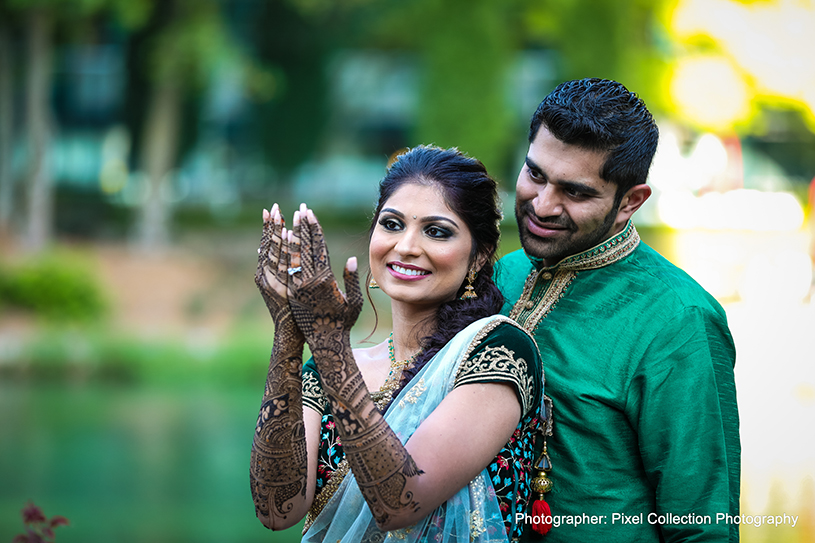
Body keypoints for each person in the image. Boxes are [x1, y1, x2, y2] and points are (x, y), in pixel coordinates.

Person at [250, 146, 545, 542]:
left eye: (436, 231)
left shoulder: (498, 350)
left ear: (478, 257)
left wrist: (328, 344)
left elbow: (400, 502)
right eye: (391, 224)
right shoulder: (325, 370)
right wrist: (288, 330)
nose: (406, 246)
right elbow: (276, 508)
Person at [494, 78, 740, 542]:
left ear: (631, 201)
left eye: (576, 192)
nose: (543, 205)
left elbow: (702, 527)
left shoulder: (679, 319)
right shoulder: (501, 275)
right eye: (536, 175)